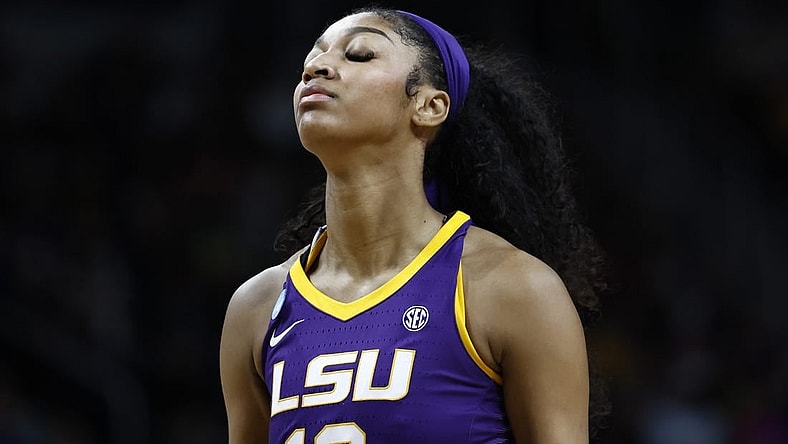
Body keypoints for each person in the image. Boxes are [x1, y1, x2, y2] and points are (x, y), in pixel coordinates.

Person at [220, 5, 609, 443]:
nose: (317, 67)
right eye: (314, 58)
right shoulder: (256, 308)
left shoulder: (511, 288)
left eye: (360, 54)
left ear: (428, 105)